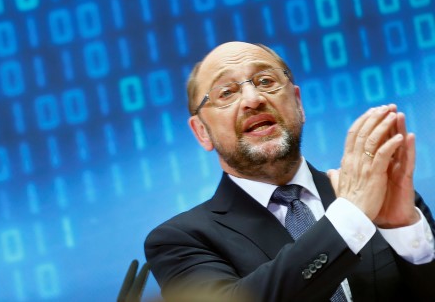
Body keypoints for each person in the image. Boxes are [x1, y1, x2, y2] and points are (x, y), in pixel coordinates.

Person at [144, 42, 435, 301]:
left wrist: (404, 231)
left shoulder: (387, 199)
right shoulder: (179, 240)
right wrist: (350, 216)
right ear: (201, 132)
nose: (253, 99)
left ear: (298, 103)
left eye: (266, 81)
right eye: (226, 92)